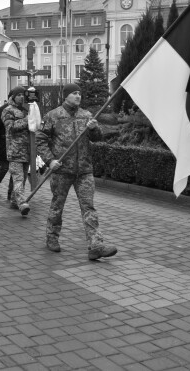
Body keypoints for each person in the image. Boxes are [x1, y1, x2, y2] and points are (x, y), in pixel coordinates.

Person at [35, 83, 117, 259]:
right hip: (61, 169)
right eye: (74, 93)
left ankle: (96, 245)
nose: (78, 96)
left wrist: (94, 128)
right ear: (65, 96)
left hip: (84, 170)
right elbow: (40, 140)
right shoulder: (53, 116)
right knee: (58, 205)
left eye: (80, 93)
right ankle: (52, 237)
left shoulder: (86, 115)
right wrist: (50, 161)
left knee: (89, 207)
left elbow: (97, 138)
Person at [1, 86, 31, 217]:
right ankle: (22, 203)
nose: (21, 97)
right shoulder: (8, 110)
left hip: (27, 150)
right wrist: (28, 120)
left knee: (22, 178)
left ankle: (14, 201)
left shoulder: (25, 110)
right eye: (18, 95)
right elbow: (11, 127)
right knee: (18, 178)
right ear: (13, 96)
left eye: (23, 95)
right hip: (15, 150)